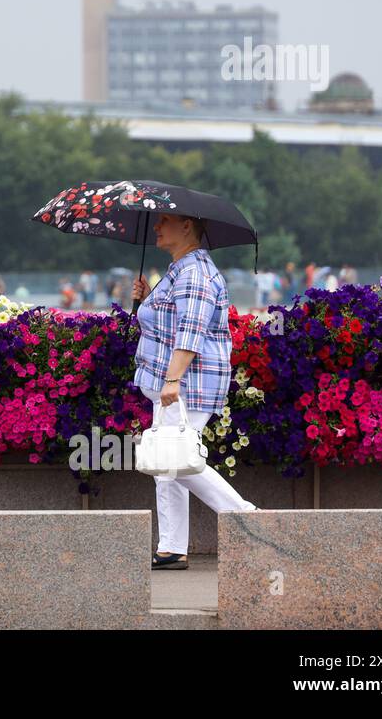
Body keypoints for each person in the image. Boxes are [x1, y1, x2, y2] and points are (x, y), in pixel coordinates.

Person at [131, 212, 256, 570]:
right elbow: (170, 320)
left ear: (187, 226)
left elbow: (191, 329)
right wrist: (145, 300)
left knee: (177, 459)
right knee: (168, 464)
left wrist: (172, 380)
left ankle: (248, 519)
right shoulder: (182, 269)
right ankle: (171, 547)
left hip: (187, 382)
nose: (156, 226)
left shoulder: (193, 271)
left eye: (164, 220)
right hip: (179, 381)